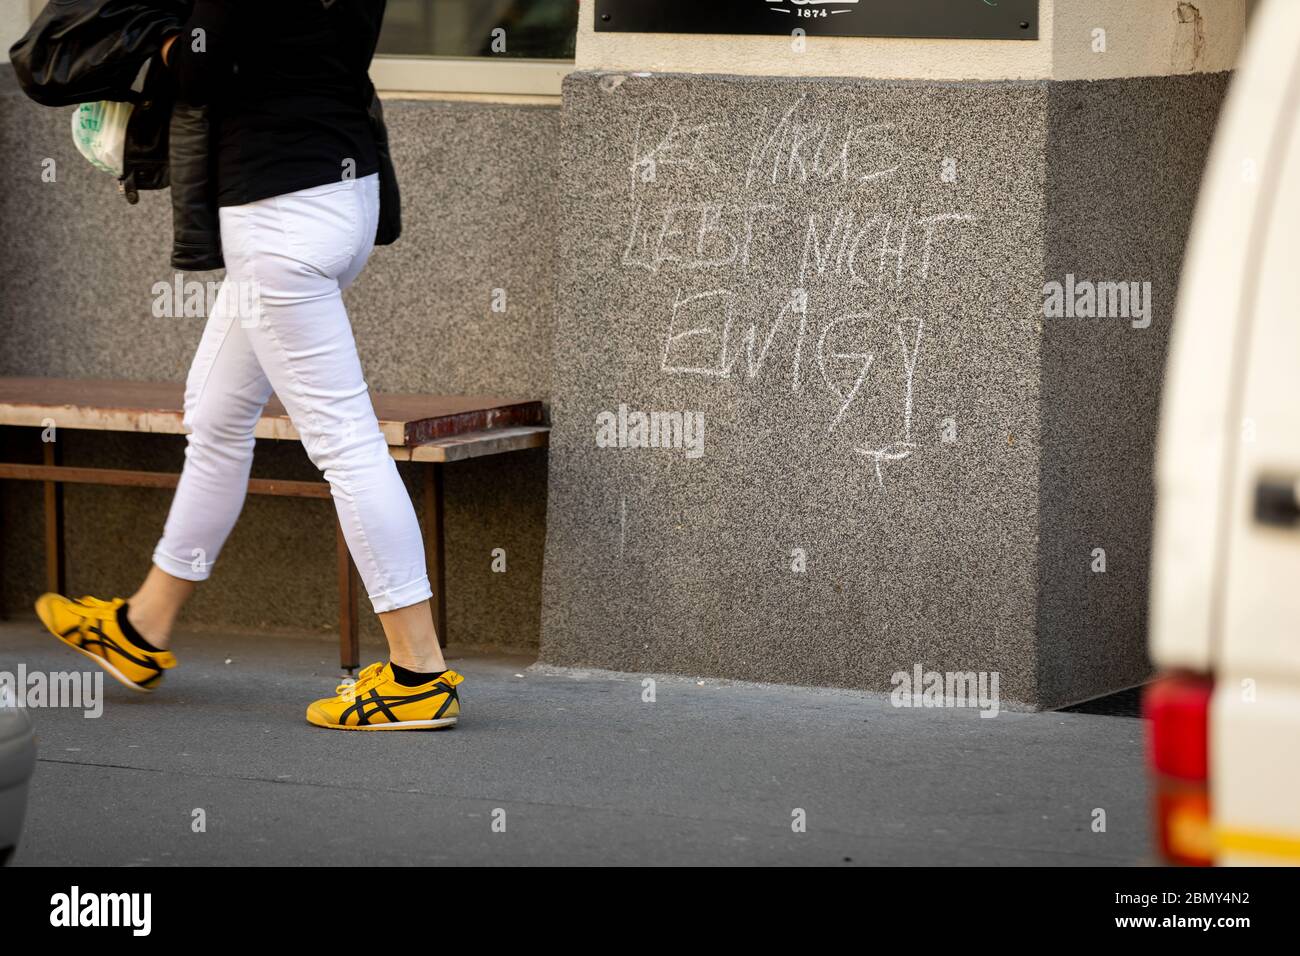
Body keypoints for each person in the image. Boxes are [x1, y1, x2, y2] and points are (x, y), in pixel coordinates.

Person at [33, 0, 464, 731]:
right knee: (217, 411)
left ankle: (418, 671)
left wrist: (158, 44)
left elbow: (209, 60)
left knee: (345, 443)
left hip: (277, 210)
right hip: (342, 193)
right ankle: (142, 627)